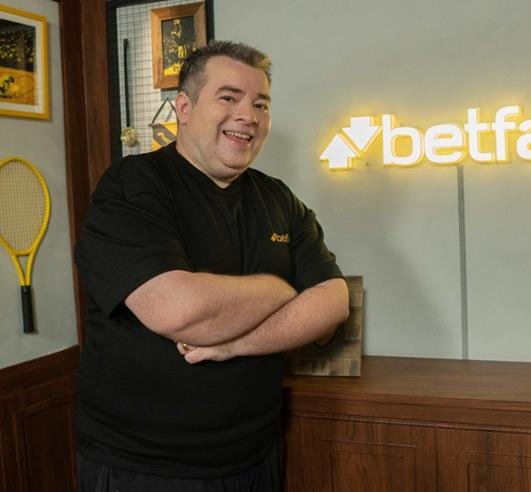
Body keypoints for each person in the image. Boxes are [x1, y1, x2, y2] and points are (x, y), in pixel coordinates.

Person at [73, 40, 349, 491]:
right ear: (184, 107)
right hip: (145, 467)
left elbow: (334, 302)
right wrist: (282, 289)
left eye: (260, 104)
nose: (249, 115)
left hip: (256, 455)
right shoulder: (132, 185)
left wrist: (235, 344)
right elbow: (178, 310)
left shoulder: (278, 199)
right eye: (229, 97)